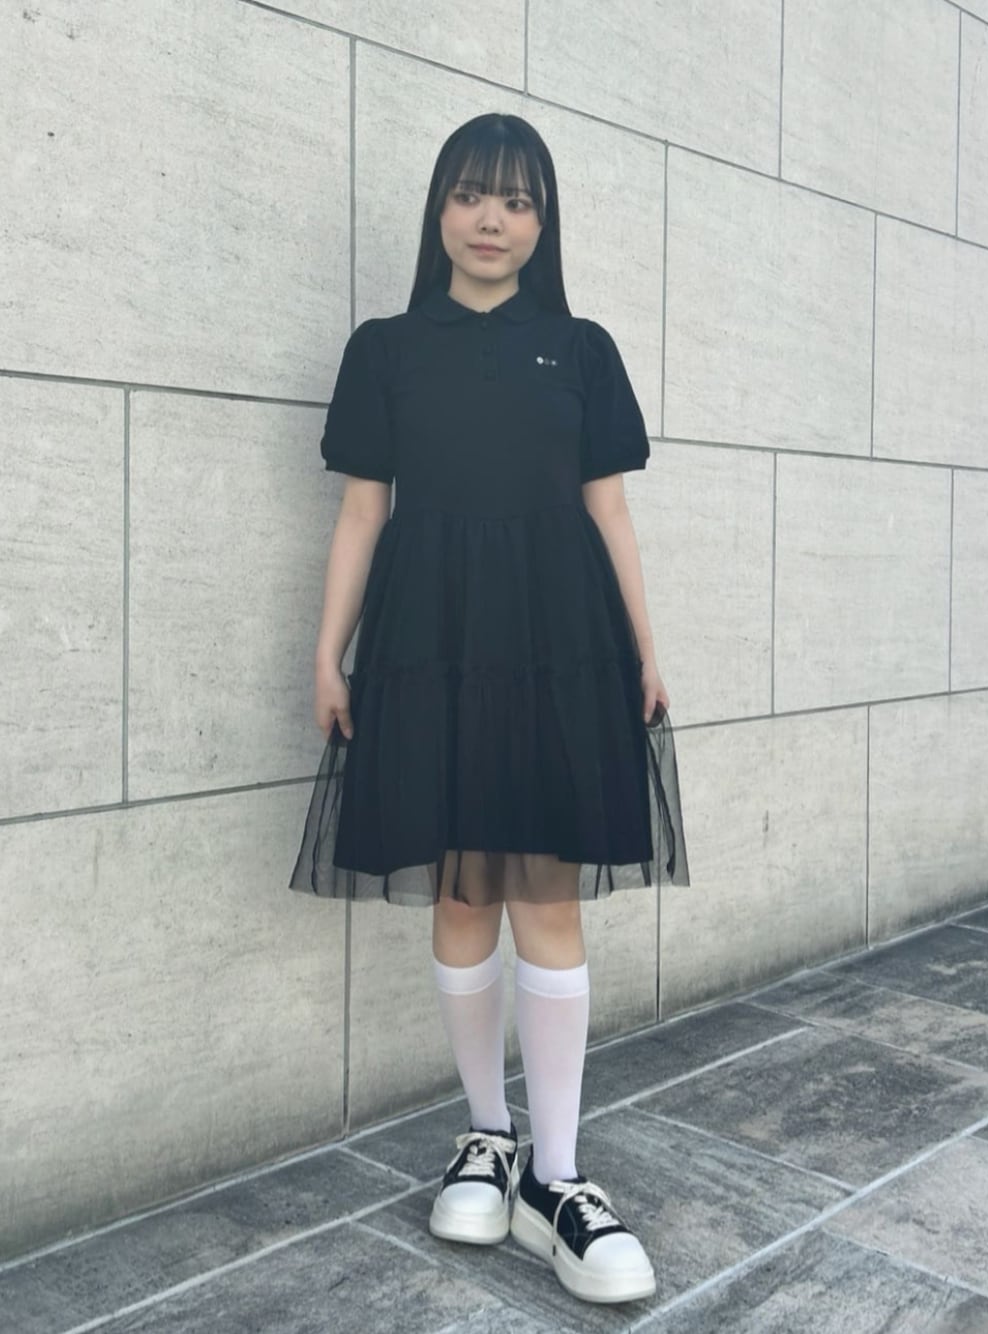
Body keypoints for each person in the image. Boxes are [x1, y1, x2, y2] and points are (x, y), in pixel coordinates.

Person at [289, 112, 690, 1306]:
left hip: (560, 640)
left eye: (516, 200)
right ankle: (485, 1136)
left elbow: (609, 509)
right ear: (439, 208)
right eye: (470, 194)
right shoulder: (385, 349)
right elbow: (362, 510)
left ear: (541, 220)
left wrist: (645, 649)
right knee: (461, 891)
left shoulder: (579, 348)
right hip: (430, 636)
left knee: (546, 893)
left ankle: (556, 1176)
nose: (491, 219)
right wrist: (327, 654)